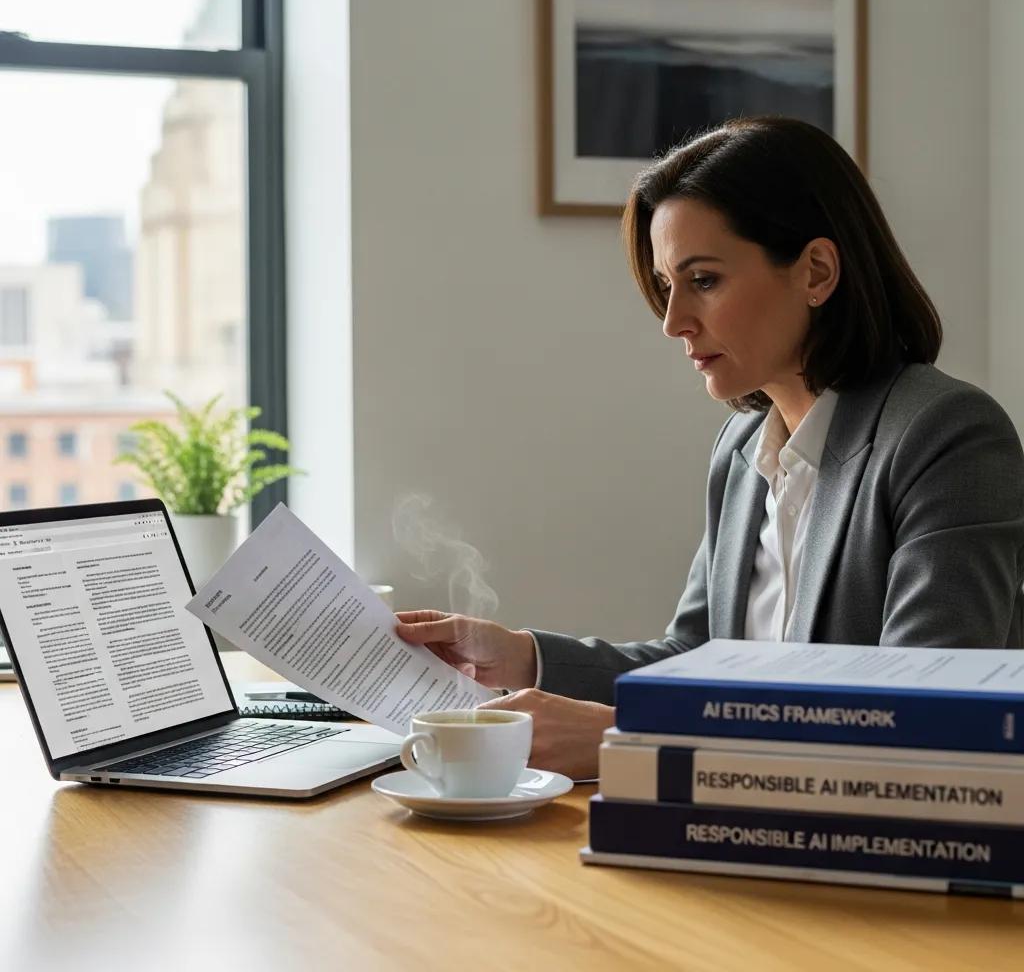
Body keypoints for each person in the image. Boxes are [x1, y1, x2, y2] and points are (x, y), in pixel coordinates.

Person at [395, 116, 1024, 780]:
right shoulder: (742, 450)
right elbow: (696, 658)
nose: (674, 323)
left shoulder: (947, 436)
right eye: (669, 287)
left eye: (704, 281)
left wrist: (630, 737)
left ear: (815, 271)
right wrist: (521, 657)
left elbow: (922, 717)